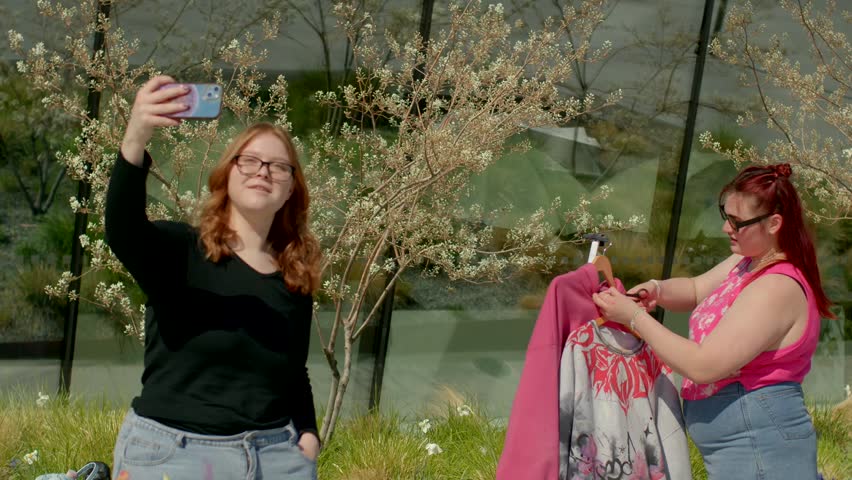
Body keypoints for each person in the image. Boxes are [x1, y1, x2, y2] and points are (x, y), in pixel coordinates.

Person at [105, 76, 322, 480]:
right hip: (176, 454)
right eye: (250, 161)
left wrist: (308, 434)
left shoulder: (294, 276)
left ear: (292, 188)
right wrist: (136, 137)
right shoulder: (181, 251)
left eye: (278, 166)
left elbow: (294, 372)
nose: (263, 172)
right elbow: (123, 230)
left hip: (276, 457)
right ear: (227, 174)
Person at [592, 162, 833, 480]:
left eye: (737, 222)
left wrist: (634, 318)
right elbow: (695, 289)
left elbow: (704, 365)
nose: (725, 228)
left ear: (774, 223)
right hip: (749, 452)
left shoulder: (777, 287)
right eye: (725, 215)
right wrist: (657, 290)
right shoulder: (748, 261)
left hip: (762, 455)